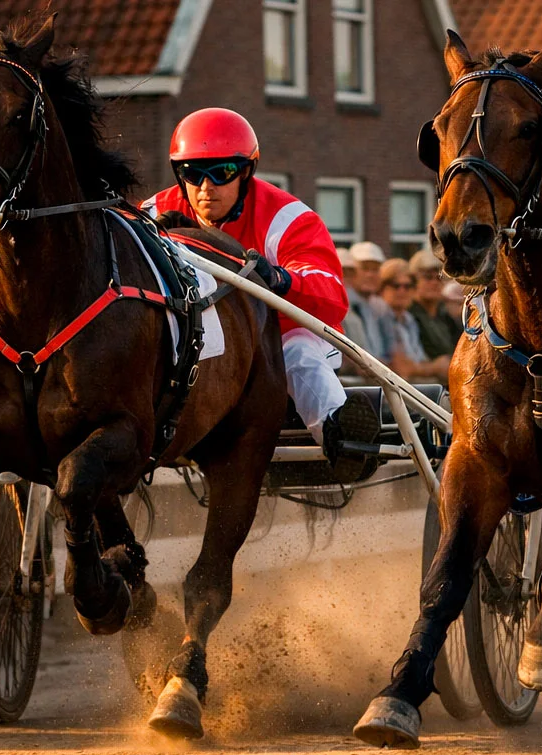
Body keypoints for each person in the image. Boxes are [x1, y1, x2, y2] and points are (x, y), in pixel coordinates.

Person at [140, 108, 379, 482]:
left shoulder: (288, 217)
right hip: (197, 340)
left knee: (298, 350)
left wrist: (281, 279)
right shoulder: (152, 213)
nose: (206, 188)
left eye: (223, 173)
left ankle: (341, 438)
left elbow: (333, 297)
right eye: (193, 174)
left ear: (247, 171)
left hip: (276, 341)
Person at [373, 259, 448, 381]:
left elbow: (419, 360)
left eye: (408, 286)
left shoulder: (409, 320)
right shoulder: (378, 316)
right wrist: (433, 368)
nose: (402, 291)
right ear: (382, 289)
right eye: (396, 286)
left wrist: (421, 368)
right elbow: (400, 367)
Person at [407, 249, 462, 361]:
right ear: (414, 281)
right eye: (428, 277)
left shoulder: (445, 315)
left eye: (439, 278)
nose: (434, 283)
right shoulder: (408, 313)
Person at [344, 241, 385, 353]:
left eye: (375, 269)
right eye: (365, 268)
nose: (370, 275)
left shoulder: (379, 307)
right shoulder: (344, 306)